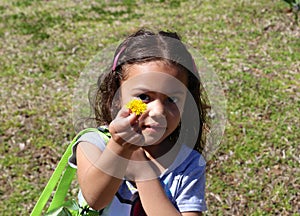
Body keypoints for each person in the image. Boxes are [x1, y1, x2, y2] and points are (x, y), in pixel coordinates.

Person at [69, 29, 209, 215]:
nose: (158, 111)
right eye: (144, 96)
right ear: (117, 97)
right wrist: (119, 147)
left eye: (172, 99)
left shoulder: (187, 164)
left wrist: (143, 172)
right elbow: (95, 200)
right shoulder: (94, 143)